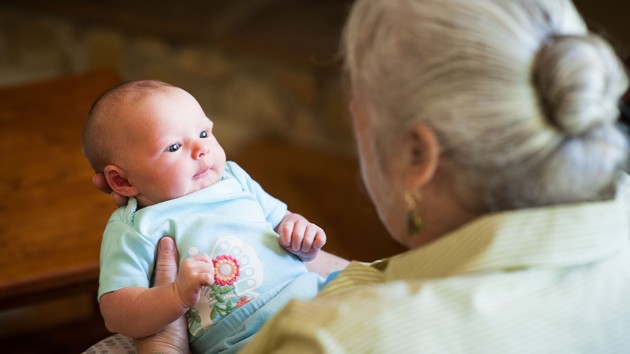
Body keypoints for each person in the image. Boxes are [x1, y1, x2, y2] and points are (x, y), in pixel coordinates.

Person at [89, 0, 630, 352]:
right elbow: (383, 273)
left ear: (420, 156)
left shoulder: (328, 342)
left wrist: (164, 339)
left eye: (359, 101)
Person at [82, 80, 348, 353]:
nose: (202, 149)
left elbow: (281, 219)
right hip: (247, 340)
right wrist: (173, 296)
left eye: (204, 133)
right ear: (122, 180)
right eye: (174, 147)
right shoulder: (135, 226)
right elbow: (117, 312)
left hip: (315, 297)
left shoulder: (233, 177)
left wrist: (298, 231)